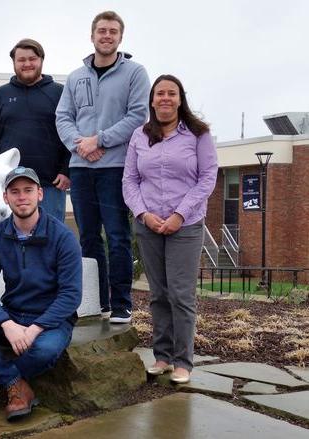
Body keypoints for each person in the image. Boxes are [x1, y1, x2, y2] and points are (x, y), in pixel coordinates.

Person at [0, 166, 82, 421]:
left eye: (28, 190)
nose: (22, 197)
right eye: (15, 191)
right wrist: (6, 323)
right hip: (13, 315)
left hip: (51, 322)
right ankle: (16, 384)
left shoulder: (63, 238)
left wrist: (35, 328)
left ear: (40, 194)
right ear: (6, 198)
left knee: (45, 350)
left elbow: (70, 295)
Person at [56, 11, 150, 323]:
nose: (106, 36)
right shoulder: (75, 77)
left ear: (120, 37)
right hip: (81, 168)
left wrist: (100, 141)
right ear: (92, 35)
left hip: (115, 167)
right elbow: (63, 117)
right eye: (101, 31)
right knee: (88, 237)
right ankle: (96, 301)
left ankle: (121, 303)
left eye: (112, 31)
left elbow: (137, 116)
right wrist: (79, 144)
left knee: (117, 235)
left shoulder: (135, 73)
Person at [123, 75, 218, 384]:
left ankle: (183, 362)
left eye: (171, 93)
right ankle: (162, 356)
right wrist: (143, 213)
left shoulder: (198, 134)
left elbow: (207, 178)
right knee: (158, 294)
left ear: (180, 99)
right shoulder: (140, 135)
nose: (165, 98)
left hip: (186, 225)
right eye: (159, 93)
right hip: (148, 225)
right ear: (152, 100)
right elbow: (130, 180)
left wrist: (179, 214)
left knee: (181, 295)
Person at [0, 39, 71, 222]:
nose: (27, 64)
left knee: (49, 241)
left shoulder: (60, 93)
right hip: (8, 185)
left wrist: (67, 170)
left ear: (41, 60)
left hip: (50, 185)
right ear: (14, 62)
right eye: (21, 60)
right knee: (8, 242)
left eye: (32, 59)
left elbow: (71, 134)